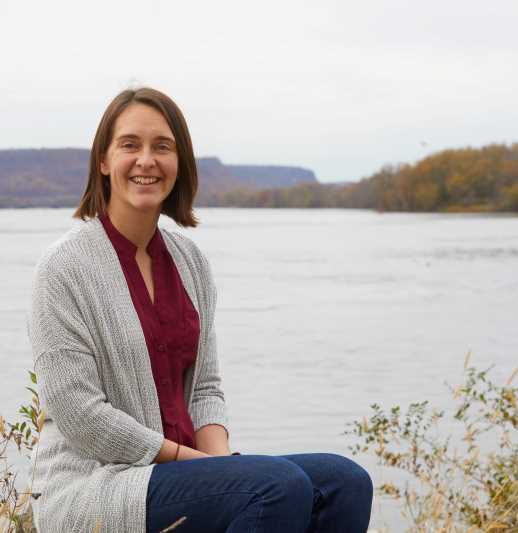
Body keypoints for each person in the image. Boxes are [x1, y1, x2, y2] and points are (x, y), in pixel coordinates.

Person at [26, 87, 373, 532]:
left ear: (179, 163)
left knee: (344, 480)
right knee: (277, 485)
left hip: (178, 474)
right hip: (93, 487)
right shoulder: (64, 268)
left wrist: (220, 466)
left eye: (162, 147)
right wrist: (199, 466)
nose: (146, 160)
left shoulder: (190, 262)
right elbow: (79, 414)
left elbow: (206, 388)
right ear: (104, 161)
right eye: (130, 145)